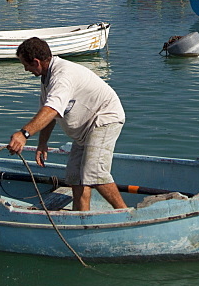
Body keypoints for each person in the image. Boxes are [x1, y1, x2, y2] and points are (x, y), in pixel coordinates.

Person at [7, 37, 127, 211]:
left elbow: (51, 110)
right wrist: (42, 143)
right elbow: (48, 114)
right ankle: (80, 219)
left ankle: (125, 213)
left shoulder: (62, 76)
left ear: (36, 62)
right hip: (84, 131)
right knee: (75, 178)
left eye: (25, 64)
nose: (25, 69)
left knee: (94, 173)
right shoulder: (47, 78)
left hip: (104, 118)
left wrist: (24, 134)